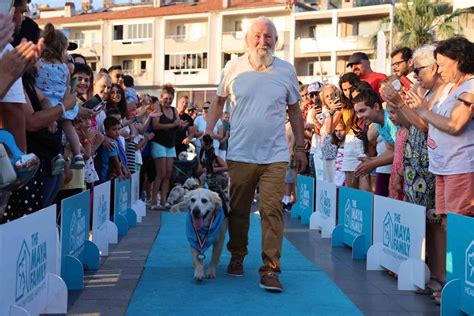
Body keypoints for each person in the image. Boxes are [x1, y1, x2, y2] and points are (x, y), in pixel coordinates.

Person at [204, 16, 307, 292]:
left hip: (275, 155)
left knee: (272, 210)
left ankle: (270, 269)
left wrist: (300, 147)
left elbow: (295, 112)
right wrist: (209, 130)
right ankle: (237, 255)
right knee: (238, 210)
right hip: (240, 153)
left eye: (269, 36)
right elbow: (219, 101)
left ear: (276, 40)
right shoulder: (233, 67)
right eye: (258, 36)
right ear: (248, 40)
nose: (263, 41)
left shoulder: (286, 70)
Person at [405, 37, 474, 305]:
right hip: (442, 167)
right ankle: (451, 282)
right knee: (447, 224)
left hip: (461, 166)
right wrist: (410, 107)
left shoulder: (470, 86)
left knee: (459, 224)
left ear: (459, 60)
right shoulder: (449, 89)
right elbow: (426, 122)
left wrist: (422, 110)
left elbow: (455, 125)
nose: (440, 70)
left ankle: (461, 285)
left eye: (443, 65)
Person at [36, 23, 84, 170]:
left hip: (46, 104)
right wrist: (64, 102)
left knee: (51, 129)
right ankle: (77, 155)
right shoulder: (64, 67)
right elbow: (68, 86)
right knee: (68, 127)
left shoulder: (39, 63)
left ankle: (57, 156)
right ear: (62, 49)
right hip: (63, 102)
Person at [352, 87, 397, 181]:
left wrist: (373, 163)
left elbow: (401, 152)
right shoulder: (378, 123)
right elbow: (390, 150)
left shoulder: (391, 120)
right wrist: (371, 161)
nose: (359, 116)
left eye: (362, 111)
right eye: (357, 112)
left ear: (376, 107)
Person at [150, 84, 181, 209]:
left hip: (170, 144)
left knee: (168, 174)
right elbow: (156, 126)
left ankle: (163, 201)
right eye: (166, 98)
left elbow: (177, 123)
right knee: (160, 173)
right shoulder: (158, 110)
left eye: (170, 99)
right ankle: (153, 201)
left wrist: (180, 125)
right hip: (159, 143)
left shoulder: (174, 110)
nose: (168, 101)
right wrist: (173, 125)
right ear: (161, 97)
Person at [96, 116, 129, 183]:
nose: (117, 132)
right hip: (104, 175)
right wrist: (120, 174)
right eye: (114, 129)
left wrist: (124, 168)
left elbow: (119, 160)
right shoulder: (110, 142)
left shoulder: (116, 141)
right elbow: (115, 161)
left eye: (119, 129)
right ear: (106, 131)